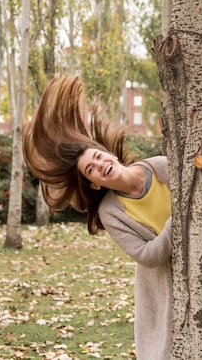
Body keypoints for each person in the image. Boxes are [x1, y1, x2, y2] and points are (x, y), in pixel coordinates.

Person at [22, 74, 172, 360]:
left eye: (99, 157)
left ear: (109, 154)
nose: (100, 166)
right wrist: (177, 223)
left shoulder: (160, 167)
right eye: (91, 169)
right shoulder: (111, 211)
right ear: (94, 184)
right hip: (163, 287)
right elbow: (148, 254)